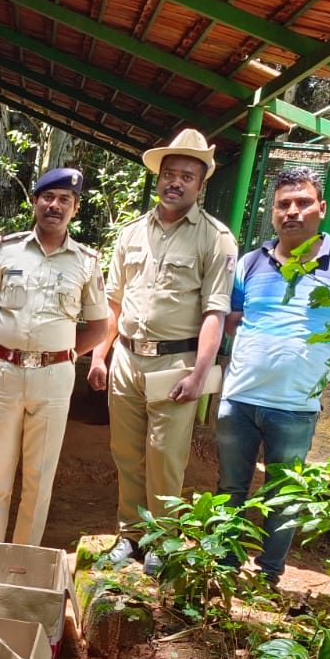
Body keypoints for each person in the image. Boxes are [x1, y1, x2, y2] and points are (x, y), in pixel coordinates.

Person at [218, 165, 330, 583]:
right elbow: (233, 318)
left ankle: (268, 576)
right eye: (283, 204)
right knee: (230, 489)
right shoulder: (248, 264)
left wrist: (319, 353)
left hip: (295, 406)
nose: (292, 212)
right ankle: (222, 568)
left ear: (321, 208)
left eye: (303, 203)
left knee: (283, 497)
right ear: (272, 213)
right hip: (239, 401)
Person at [88, 128, 236, 527]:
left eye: (187, 176)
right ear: (159, 178)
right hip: (126, 360)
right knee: (126, 452)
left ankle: (161, 538)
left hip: (176, 363)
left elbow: (214, 313)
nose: (175, 182)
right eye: (169, 173)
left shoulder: (216, 238)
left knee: (165, 455)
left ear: (201, 184)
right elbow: (114, 303)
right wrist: (99, 356)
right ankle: (130, 532)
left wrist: (199, 374)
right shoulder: (131, 233)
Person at [0, 167, 109, 546]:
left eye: (65, 200)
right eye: (48, 197)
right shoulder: (7, 250)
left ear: (75, 209)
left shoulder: (86, 261)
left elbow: (99, 326)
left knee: (39, 478)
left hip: (53, 381)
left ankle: (21, 563)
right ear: (35, 202)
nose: (55, 205)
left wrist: (63, 356)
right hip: (5, 375)